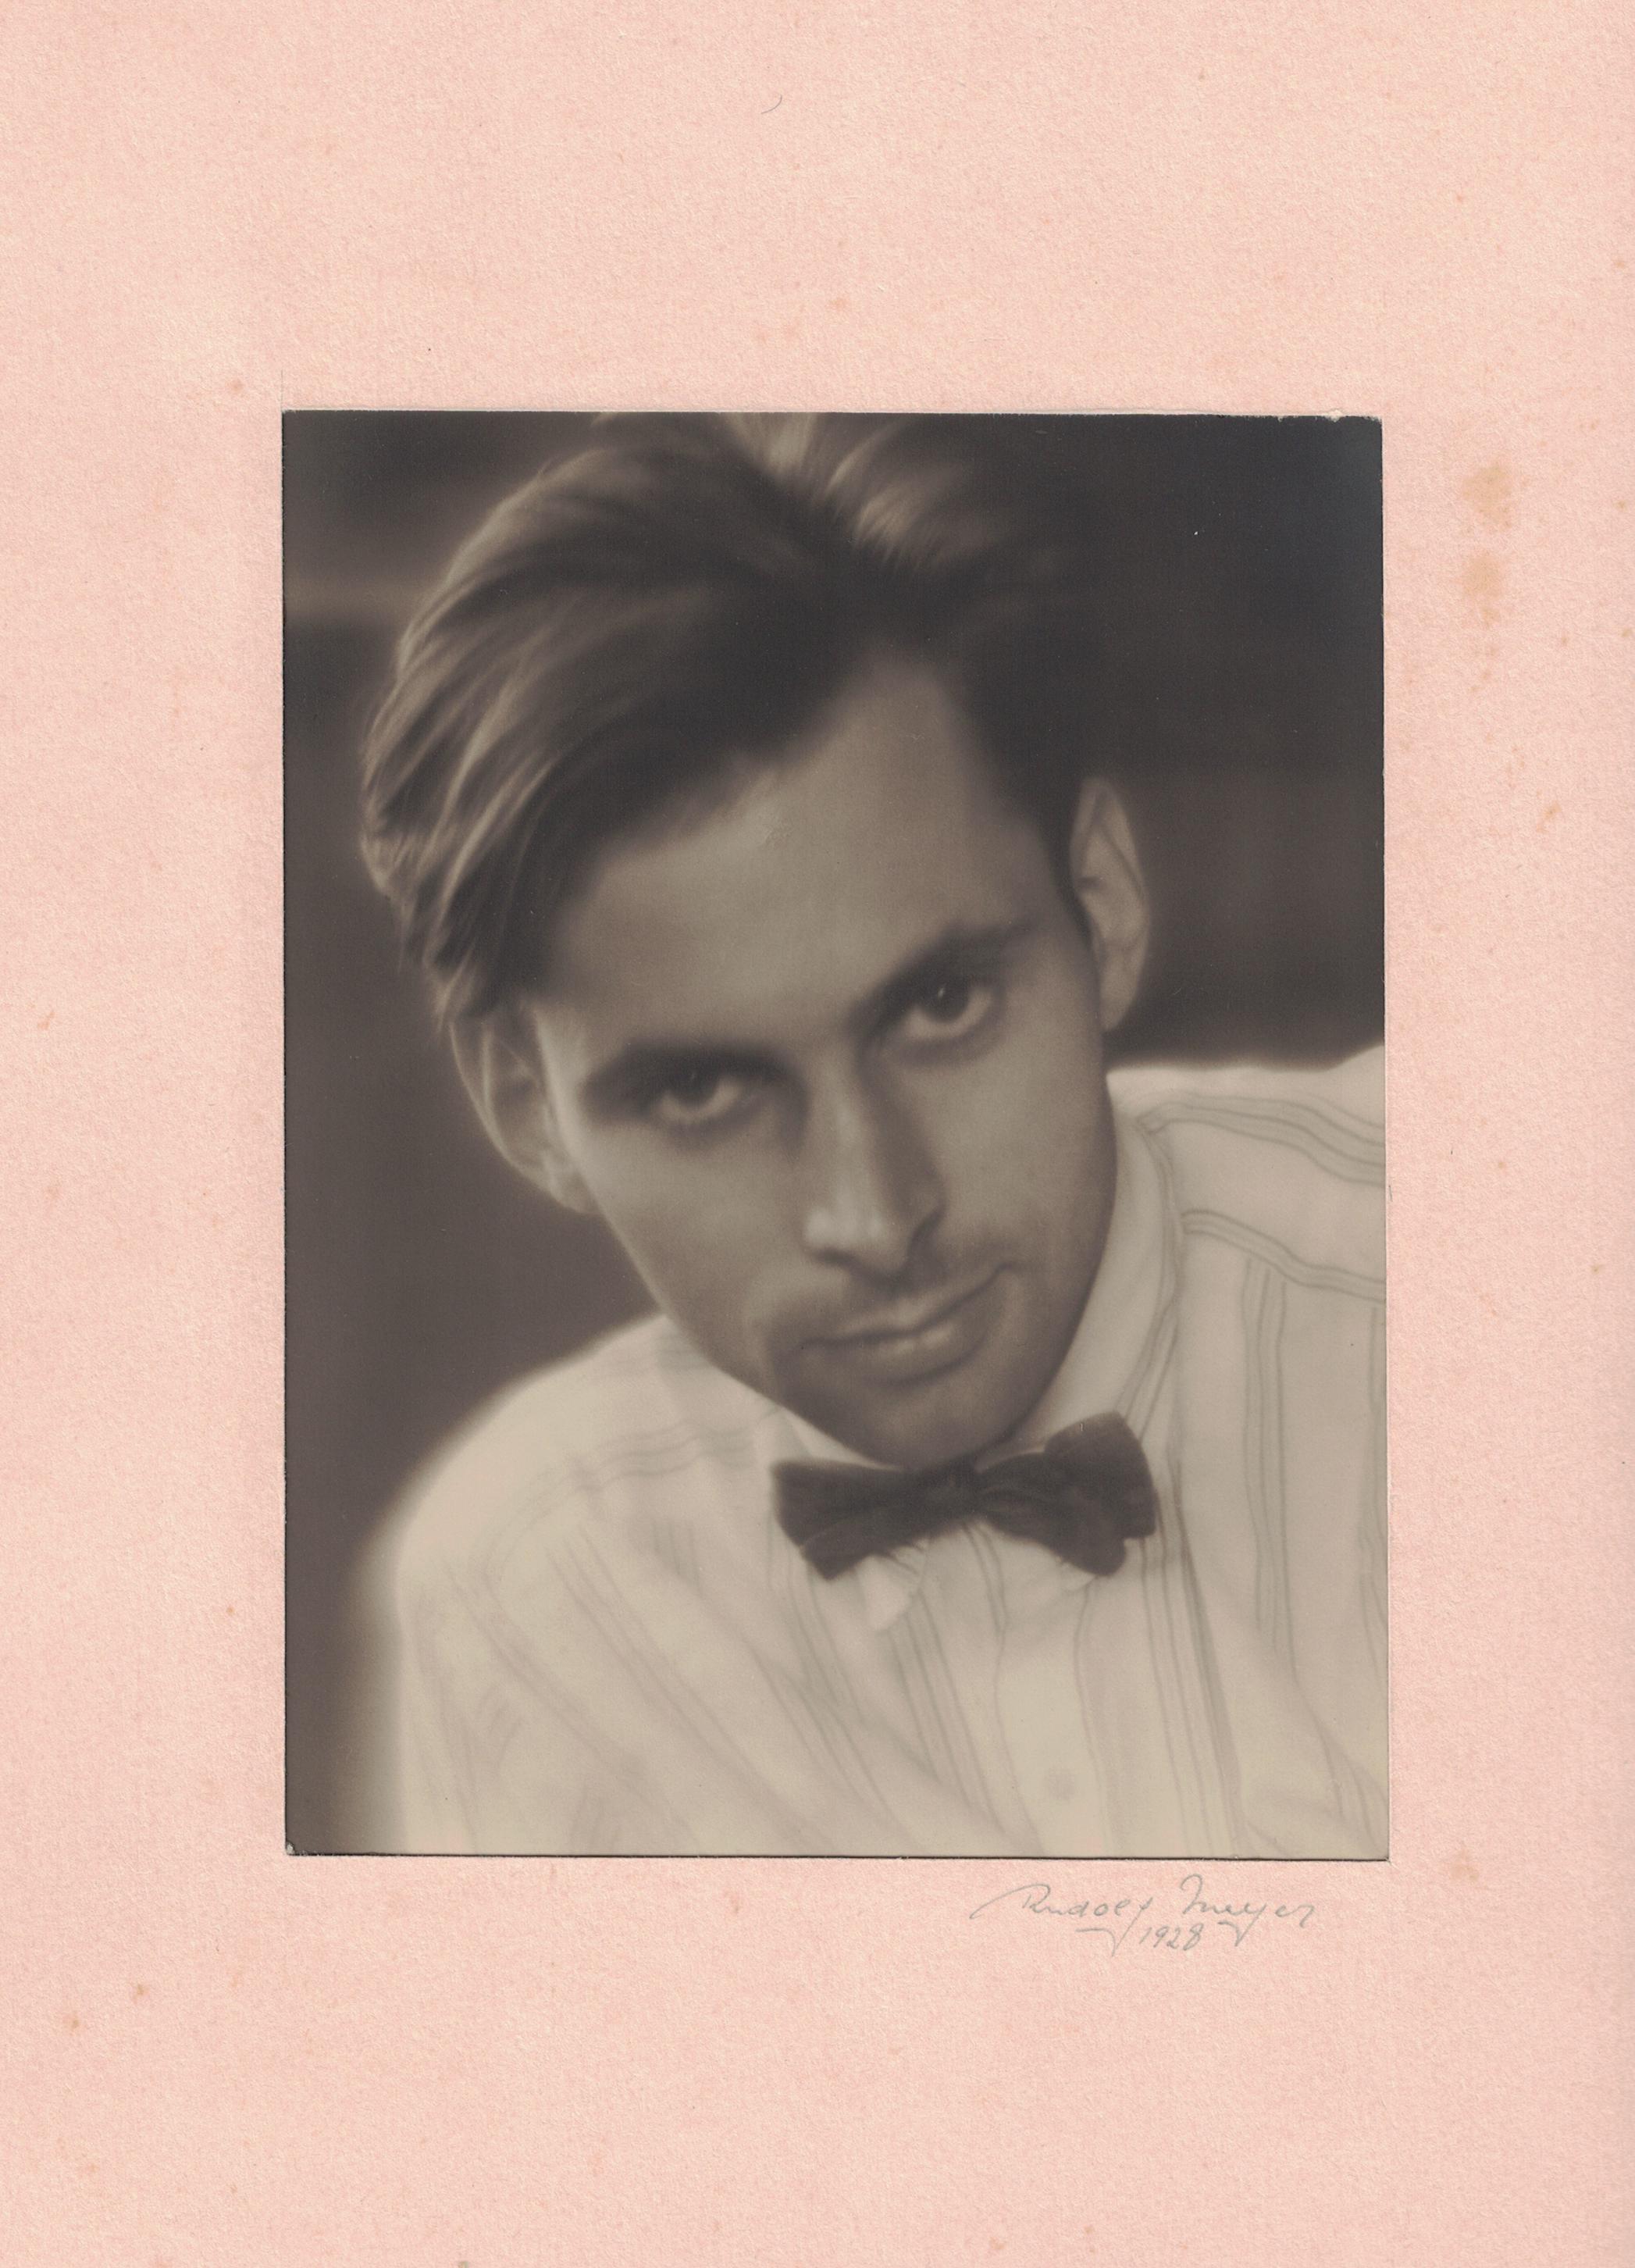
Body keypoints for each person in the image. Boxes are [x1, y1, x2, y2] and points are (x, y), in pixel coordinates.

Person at [358, 413, 1385, 1857]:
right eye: (705, 1093)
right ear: (524, 1104)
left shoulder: (1486, 1283)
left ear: (1101, 908)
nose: (877, 1213)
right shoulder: (533, 1596)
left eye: (942, 1005)